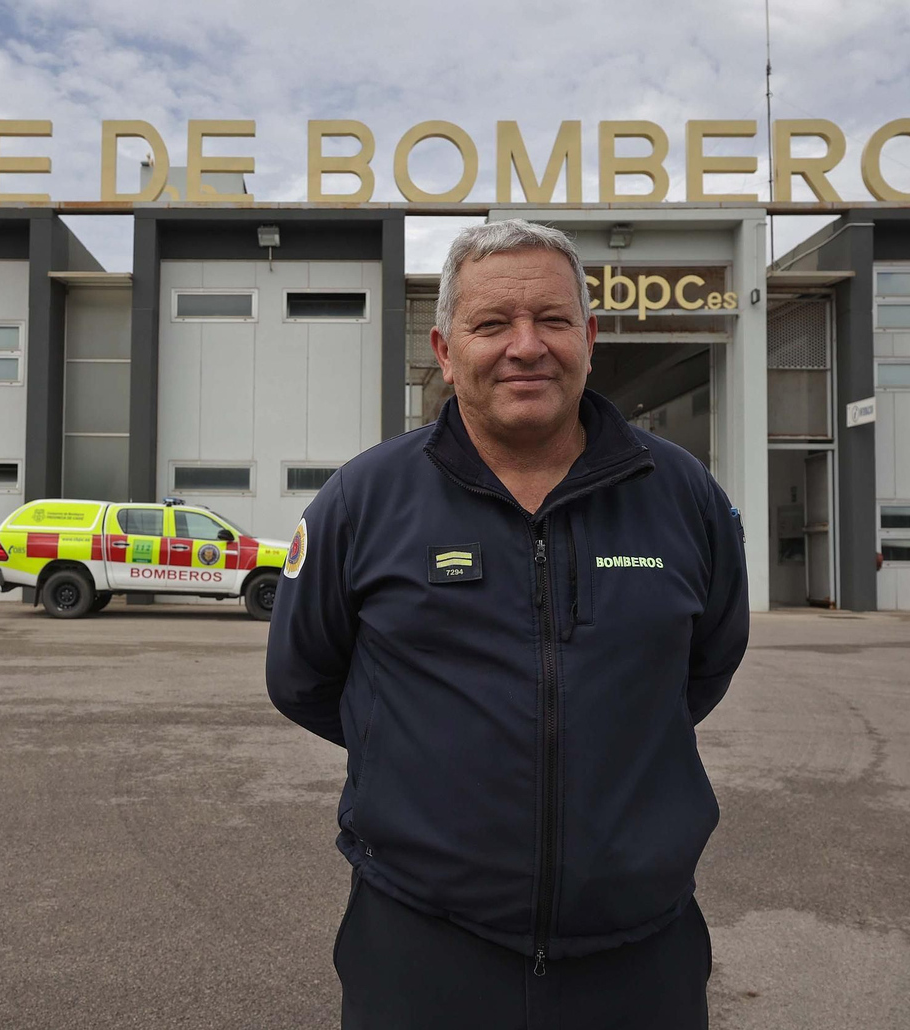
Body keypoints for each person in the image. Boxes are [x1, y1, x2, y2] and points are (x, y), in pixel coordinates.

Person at [266, 219, 749, 1029]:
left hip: (641, 955)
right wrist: (420, 758)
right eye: (492, 324)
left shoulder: (683, 496)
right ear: (447, 350)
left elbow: (703, 668)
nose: (527, 345)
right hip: (420, 946)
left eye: (553, 321)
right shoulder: (363, 501)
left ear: (589, 339)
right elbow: (303, 679)